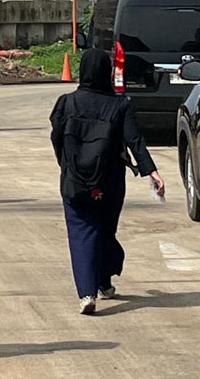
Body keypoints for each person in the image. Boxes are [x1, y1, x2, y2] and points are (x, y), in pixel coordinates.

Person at [50, 48, 165, 315]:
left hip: (74, 181)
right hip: (110, 182)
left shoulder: (65, 103)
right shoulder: (120, 105)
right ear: (107, 73)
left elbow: (56, 139)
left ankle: (88, 292)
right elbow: (134, 140)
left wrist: (66, 165)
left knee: (81, 232)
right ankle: (104, 278)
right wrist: (151, 171)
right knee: (103, 231)